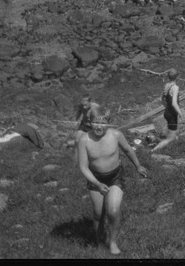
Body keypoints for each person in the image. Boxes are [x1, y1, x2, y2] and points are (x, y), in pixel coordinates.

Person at [75, 104, 149, 255]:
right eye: (96, 122)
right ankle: (98, 239)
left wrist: (138, 166)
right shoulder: (84, 140)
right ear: (89, 122)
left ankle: (112, 241)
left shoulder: (116, 135)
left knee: (113, 211)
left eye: (103, 122)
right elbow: (83, 167)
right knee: (98, 213)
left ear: (108, 123)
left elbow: (128, 149)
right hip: (95, 178)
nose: (99, 126)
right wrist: (97, 184)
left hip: (115, 176)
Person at [153, 70, 182, 153]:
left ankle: (164, 142)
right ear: (177, 77)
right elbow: (174, 103)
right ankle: (153, 150)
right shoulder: (175, 87)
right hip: (172, 114)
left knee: (173, 132)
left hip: (167, 112)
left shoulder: (167, 85)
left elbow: (161, 99)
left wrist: (166, 107)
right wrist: (180, 113)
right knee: (170, 138)